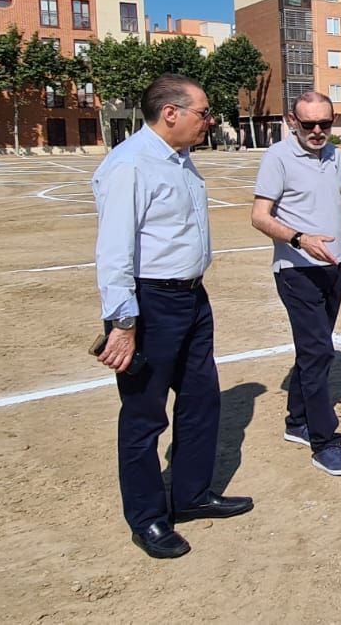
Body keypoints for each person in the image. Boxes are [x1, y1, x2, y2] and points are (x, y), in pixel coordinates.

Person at [92, 74, 253, 559]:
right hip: (150, 304)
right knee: (143, 416)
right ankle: (148, 519)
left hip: (191, 297)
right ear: (171, 113)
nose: (210, 121)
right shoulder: (130, 165)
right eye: (204, 113)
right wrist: (123, 323)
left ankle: (191, 494)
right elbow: (114, 249)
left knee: (202, 400)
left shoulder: (180, 160)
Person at [250, 91, 341, 476]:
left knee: (312, 351)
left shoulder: (335, 157)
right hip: (297, 270)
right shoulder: (278, 158)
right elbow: (259, 216)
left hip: (333, 268)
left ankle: (297, 421)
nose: (318, 131)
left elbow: (338, 208)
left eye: (326, 124)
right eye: (309, 124)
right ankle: (325, 443)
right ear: (292, 121)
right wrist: (300, 239)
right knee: (319, 352)